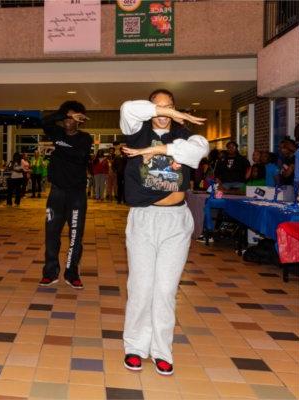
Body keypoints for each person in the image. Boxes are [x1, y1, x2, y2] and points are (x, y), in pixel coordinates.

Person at [120, 89, 208, 376]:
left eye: (168, 107)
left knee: (166, 290)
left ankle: (161, 350)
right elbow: (128, 108)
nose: (162, 114)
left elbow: (198, 151)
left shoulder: (185, 135)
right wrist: (168, 113)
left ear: (176, 108)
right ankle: (135, 346)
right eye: (157, 109)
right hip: (144, 219)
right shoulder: (136, 130)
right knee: (141, 286)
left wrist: (157, 150)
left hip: (175, 222)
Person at [39, 100, 92, 290]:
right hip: (56, 193)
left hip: (77, 194)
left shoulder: (85, 138)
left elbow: (80, 157)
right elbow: (45, 121)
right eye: (66, 118)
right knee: (51, 233)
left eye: (73, 118)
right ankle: (50, 272)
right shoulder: (57, 133)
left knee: (75, 235)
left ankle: (72, 272)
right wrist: (63, 114)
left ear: (80, 120)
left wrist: (58, 150)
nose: (69, 121)